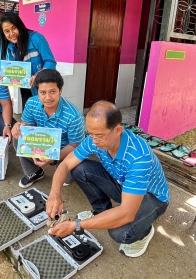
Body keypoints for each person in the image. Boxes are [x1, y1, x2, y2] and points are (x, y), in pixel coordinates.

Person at [45, 101, 170, 258]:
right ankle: (101, 212)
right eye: (91, 134)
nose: (94, 141)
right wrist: (54, 194)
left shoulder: (138, 157)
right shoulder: (94, 140)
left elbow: (127, 213)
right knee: (80, 169)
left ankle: (144, 231)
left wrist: (76, 226)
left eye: (100, 135)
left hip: (152, 197)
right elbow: (65, 165)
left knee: (120, 232)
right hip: (123, 184)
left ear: (118, 130)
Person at [11, 69, 85, 188]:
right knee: (18, 135)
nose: (48, 97)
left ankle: (61, 166)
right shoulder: (31, 103)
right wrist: (18, 125)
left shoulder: (74, 116)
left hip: (64, 147)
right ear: (37, 92)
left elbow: (76, 145)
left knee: (66, 179)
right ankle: (34, 171)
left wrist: (53, 157)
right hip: (43, 141)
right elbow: (26, 124)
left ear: (60, 91)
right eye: (43, 92)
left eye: (52, 91)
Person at [0, 12, 56, 108]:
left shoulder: (36, 39)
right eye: (7, 31)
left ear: (19, 26)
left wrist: (38, 75)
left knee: (45, 117)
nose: (11, 33)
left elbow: (51, 62)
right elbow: (13, 69)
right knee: (29, 118)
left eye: (13, 28)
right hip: (26, 88)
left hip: (44, 88)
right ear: (3, 34)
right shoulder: (10, 47)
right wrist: (4, 75)